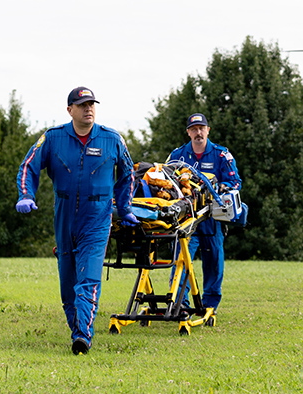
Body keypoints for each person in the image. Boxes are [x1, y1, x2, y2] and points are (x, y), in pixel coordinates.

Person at [15, 87, 139, 355]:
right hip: (64, 214)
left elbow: (128, 173)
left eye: (92, 104)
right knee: (68, 283)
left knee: (88, 278)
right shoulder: (52, 138)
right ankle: (77, 329)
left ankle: (83, 335)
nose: (88, 109)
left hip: (97, 216)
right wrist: (26, 194)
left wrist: (125, 207)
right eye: (82, 105)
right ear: (70, 110)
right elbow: (29, 166)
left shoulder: (112, 139)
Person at [167, 113, 242, 316]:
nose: (198, 132)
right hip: (186, 219)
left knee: (214, 263)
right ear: (188, 132)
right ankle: (179, 304)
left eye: (202, 128)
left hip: (211, 218)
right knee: (181, 260)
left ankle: (209, 305)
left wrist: (219, 186)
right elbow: (166, 182)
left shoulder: (221, 155)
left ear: (208, 130)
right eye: (194, 128)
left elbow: (236, 182)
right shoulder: (177, 155)